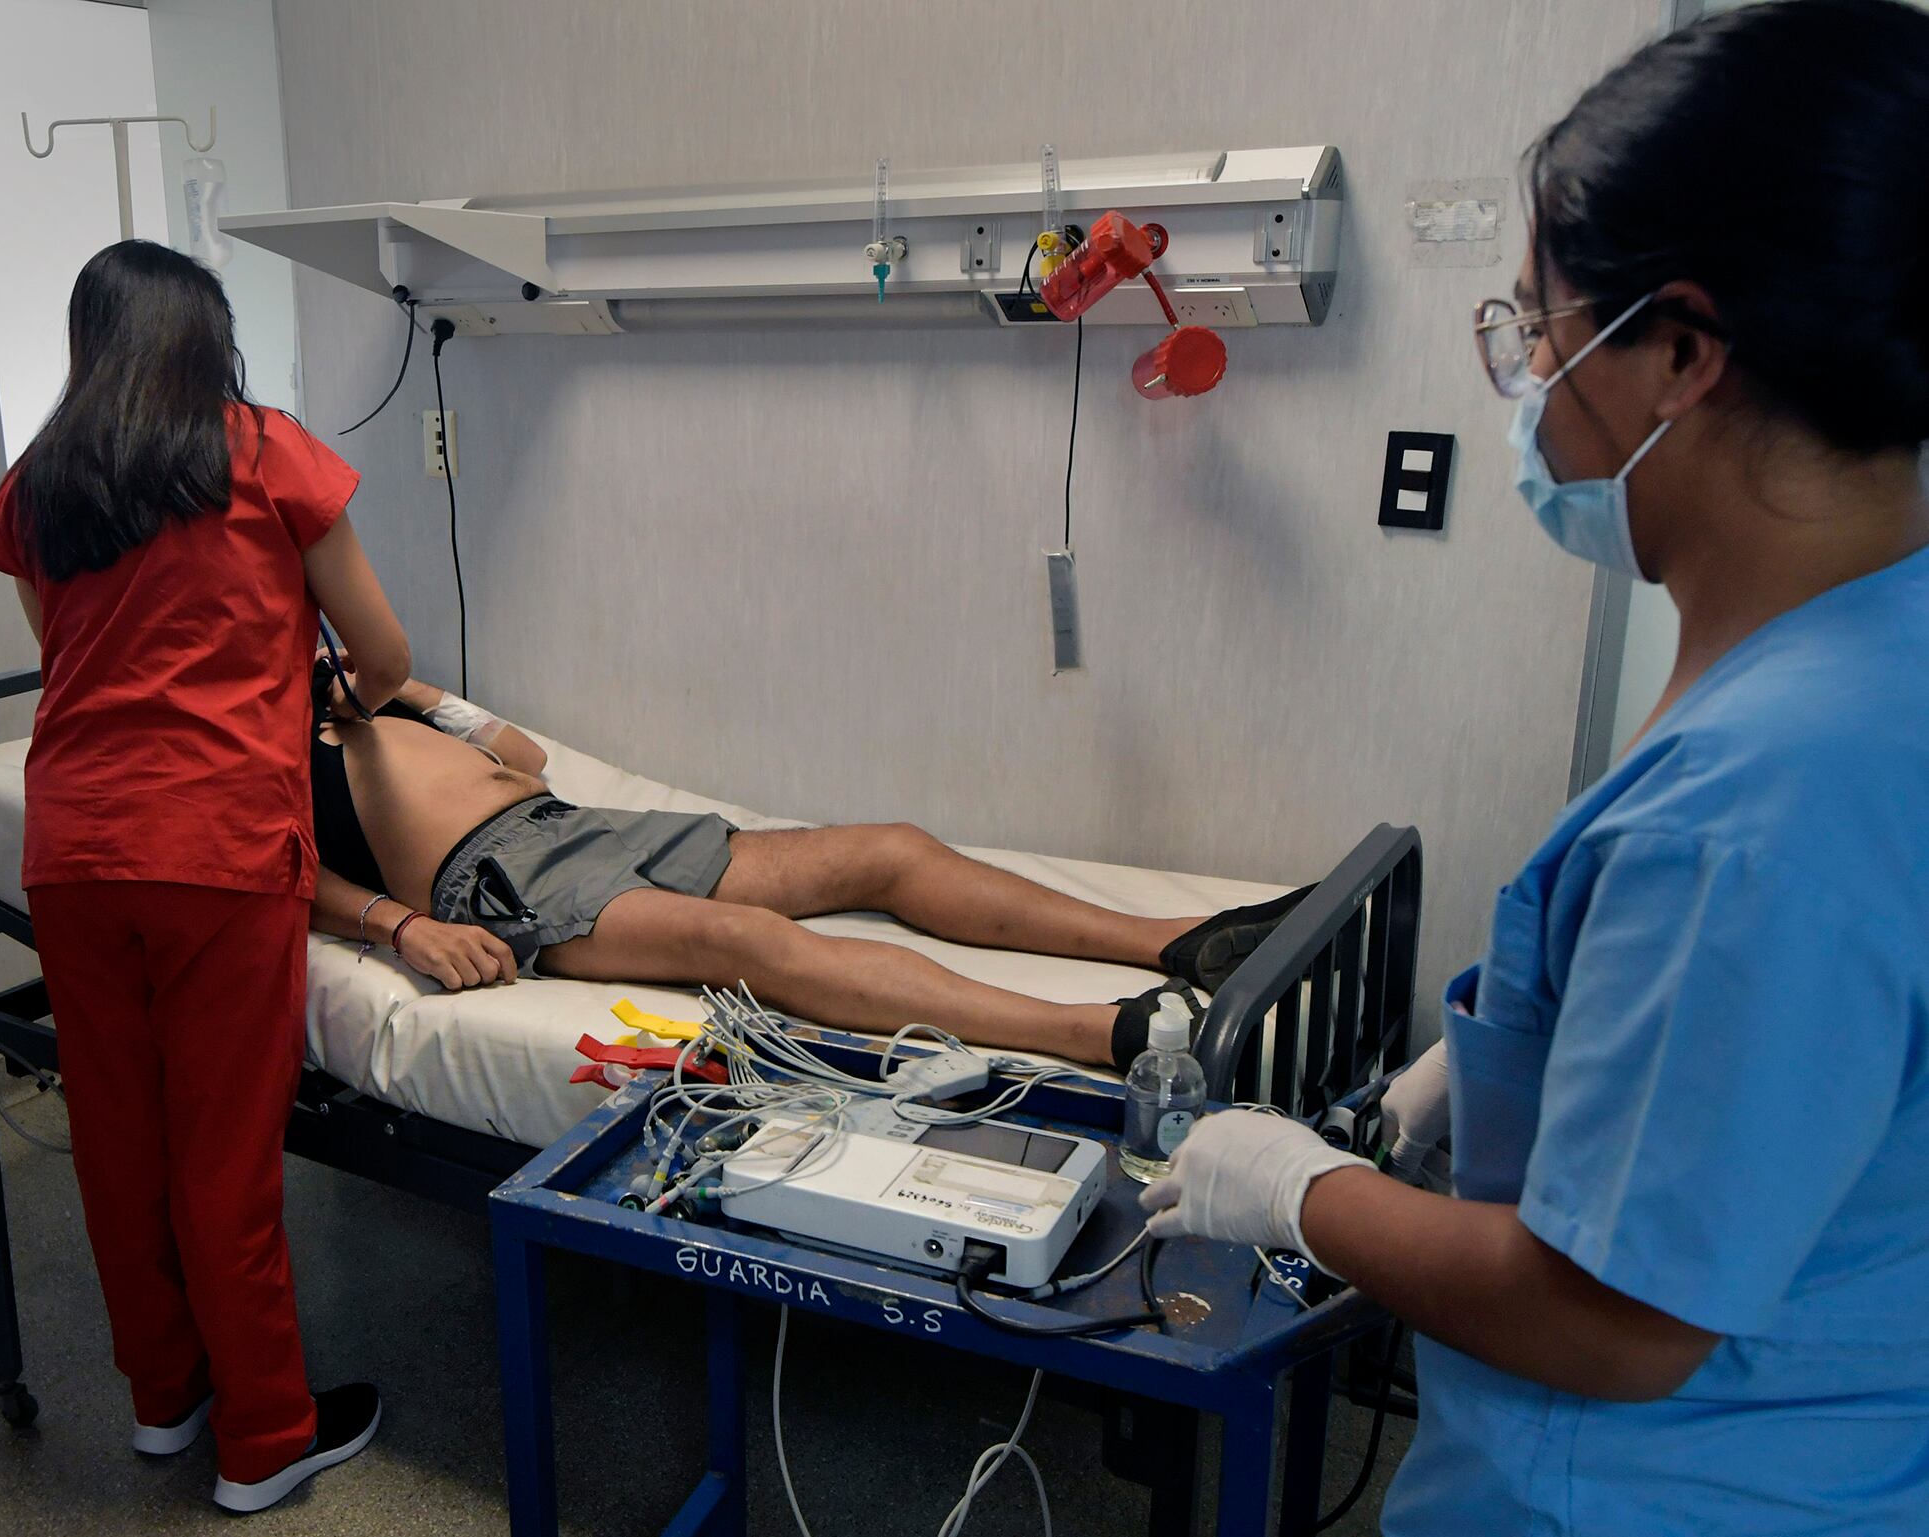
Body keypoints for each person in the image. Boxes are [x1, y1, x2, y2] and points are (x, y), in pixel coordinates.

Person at [1139, 4, 1929, 1531]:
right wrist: (1491, 1058)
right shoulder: (1860, 651)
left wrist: (1298, 1188)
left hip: (1658, 1490)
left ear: (1683, 353)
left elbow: (1612, 1319)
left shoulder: (1760, 805)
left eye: (1536, 330)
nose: (1525, 383)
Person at [0, 241, 412, 1515]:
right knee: (225, 1157)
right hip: (215, 851)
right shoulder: (262, 450)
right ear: (203, 336)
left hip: (73, 848)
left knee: (118, 1143)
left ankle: (164, 1401)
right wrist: (326, 691)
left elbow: (68, 658)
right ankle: (268, 1437)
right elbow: (381, 653)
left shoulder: (41, 484)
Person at [307, 668, 1312, 1069]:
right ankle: (1108, 1035)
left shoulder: (373, 694)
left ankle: (1183, 943)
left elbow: (520, 756)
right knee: (744, 944)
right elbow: (285, 874)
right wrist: (401, 927)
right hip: (497, 883)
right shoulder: (260, 745)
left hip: (569, 817)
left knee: (889, 850)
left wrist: (409, 689)